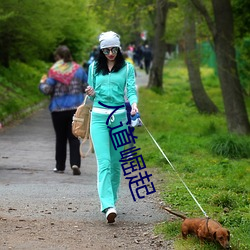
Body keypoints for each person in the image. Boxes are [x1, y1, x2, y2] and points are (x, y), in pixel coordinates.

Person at [85, 31, 138, 223]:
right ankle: (107, 205)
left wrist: (133, 104)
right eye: (106, 50)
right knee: (104, 162)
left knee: (116, 164)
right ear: (101, 50)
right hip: (99, 118)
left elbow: (131, 90)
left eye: (114, 49)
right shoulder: (93, 68)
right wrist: (90, 92)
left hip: (120, 119)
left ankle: (113, 201)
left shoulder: (127, 68)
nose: (110, 53)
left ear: (119, 48)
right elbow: (91, 97)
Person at [39, 45, 88, 175]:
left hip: (58, 109)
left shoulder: (54, 71)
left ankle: (60, 166)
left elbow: (47, 90)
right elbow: (86, 87)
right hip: (75, 109)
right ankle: (75, 163)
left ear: (58, 57)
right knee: (73, 137)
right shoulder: (79, 69)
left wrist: (42, 83)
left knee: (60, 138)